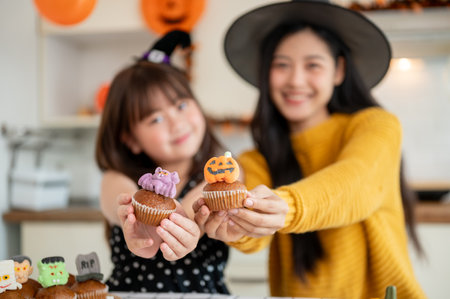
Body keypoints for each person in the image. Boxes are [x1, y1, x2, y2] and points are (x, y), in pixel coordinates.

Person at [193, 1, 426, 298]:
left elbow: (357, 182)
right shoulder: (257, 158)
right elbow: (254, 233)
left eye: (313, 65)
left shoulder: (377, 125)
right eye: (281, 65)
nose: (295, 80)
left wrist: (286, 206)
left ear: (339, 70)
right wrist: (239, 226)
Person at [95, 30, 229, 294]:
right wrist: (136, 222)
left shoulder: (220, 176)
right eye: (155, 118)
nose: (177, 123)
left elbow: (195, 208)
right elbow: (119, 201)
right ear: (130, 139)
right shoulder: (117, 179)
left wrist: (187, 228)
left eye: (181, 106)